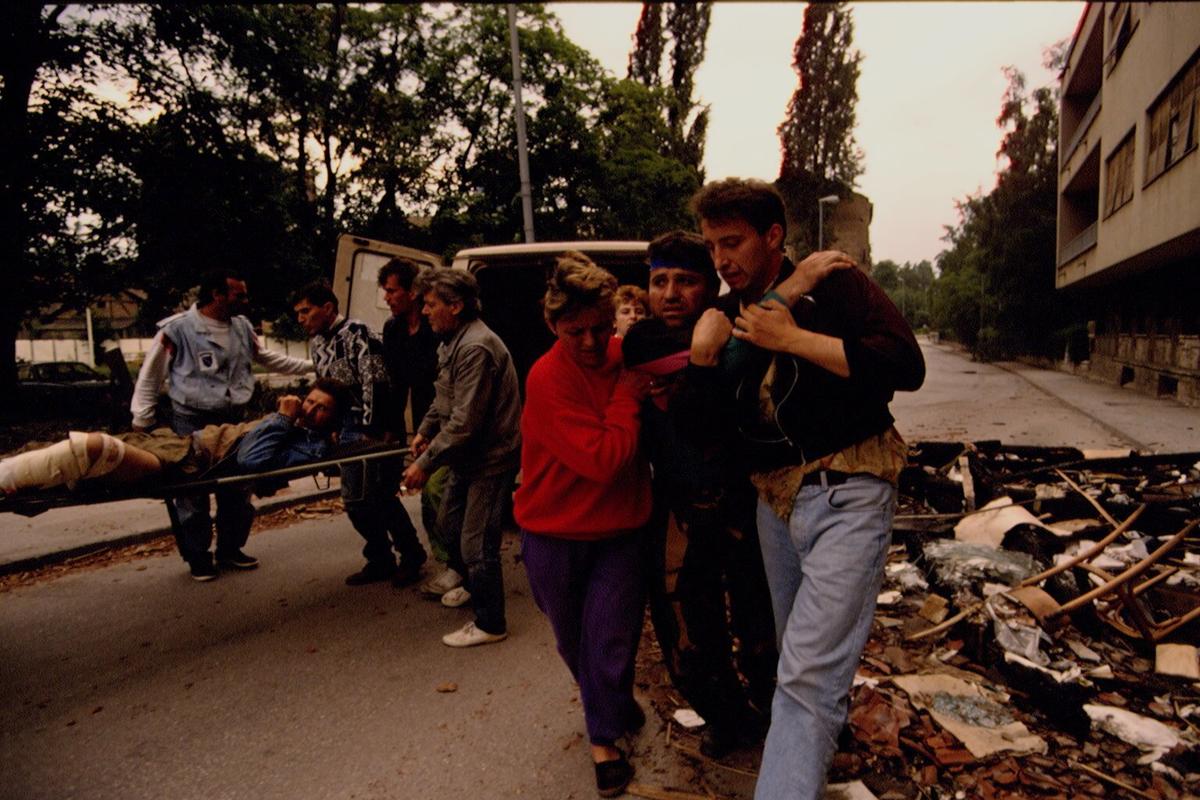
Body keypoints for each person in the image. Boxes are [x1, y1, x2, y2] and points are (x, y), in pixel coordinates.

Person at [682, 179, 925, 799]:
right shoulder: (729, 309)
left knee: (807, 678)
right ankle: (818, 753)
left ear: (772, 237)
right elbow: (707, 420)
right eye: (712, 247)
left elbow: (905, 364)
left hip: (849, 485)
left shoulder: (834, 283)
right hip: (777, 503)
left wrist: (794, 340)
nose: (721, 259)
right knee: (801, 659)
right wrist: (706, 360)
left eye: (732, 242)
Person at [634, 230, 779, 759]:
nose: (670, 293)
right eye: (659, 281)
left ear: (708, 285)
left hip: (743, 507)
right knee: (688, 638)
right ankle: (728, 718)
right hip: (678, 512)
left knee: (761, 624)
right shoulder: (642, 342)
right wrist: (704, 354)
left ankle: (777, 718)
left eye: (686, 281)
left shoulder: (737, 330)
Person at [513, 254, 653, 798]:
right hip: (551, 534)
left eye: (601, 328)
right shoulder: (548, 377)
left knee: (611, 637)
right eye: (577, 333)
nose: (593, 343)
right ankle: (612, 701)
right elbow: (603, 458)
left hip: (621, 531)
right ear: (553, 326)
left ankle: (604, 742)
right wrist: (628, 395)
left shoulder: (627, 355)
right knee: (575, 644)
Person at [131, 269, 313, 581]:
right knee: (191, 490)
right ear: (217, 295)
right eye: (239, 294)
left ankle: (230, 549)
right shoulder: (177, 330)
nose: (246, 300)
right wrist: (142, 420)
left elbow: (268, 358)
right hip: (191, 418)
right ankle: (197, 555)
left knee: (238, 484)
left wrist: (313, 366)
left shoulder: (242, 327)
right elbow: (150, 376)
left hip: (233, 419)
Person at [400, 269, 522, 648]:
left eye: (431, 304)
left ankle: (490, 622)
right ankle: (474, 587)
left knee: (476, 543)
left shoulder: (475, 347)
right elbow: (443, 400)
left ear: (456, 305)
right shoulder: (450, 341)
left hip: (491, 458)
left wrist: (424, 463)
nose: (424, 311)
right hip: (467, 458)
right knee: (447, 525)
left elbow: (465, 422)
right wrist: (423, 429)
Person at [2, 381, 346, 504]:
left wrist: (282, 418)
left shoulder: (309, 444)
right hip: (177, 443)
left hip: (186, 466)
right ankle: (17, 483)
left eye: (322, 409)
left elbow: (251, 461)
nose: (310, 409)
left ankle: (12, 481)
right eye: (310, 401)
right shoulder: (293, 426)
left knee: (94, 449)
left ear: (333, 418)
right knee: (52, 452)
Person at [292, 281, 427, 587]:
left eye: (305, 311)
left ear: (327, 308)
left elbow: (377, 385)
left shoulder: (358, 333)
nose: (300, 319)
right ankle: (386, 556)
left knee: (366, 498)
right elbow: (324, 393)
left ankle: (403, 554)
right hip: (343, 430)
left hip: (369, 428)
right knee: (371, 499)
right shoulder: (316, 344)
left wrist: (377, 432)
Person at [376, 258, 460, 596]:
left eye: (392, 291)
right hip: (418, 424)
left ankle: (456, 565)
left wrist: (434, 436)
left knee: (435, 492)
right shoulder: (393, 330)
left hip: (446, 420)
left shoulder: (437, 328)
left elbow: (444, 388)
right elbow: (394, 385)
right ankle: (422, 556)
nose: (387, 298)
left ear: (412, 292)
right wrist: (393, 431)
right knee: (391, 488)